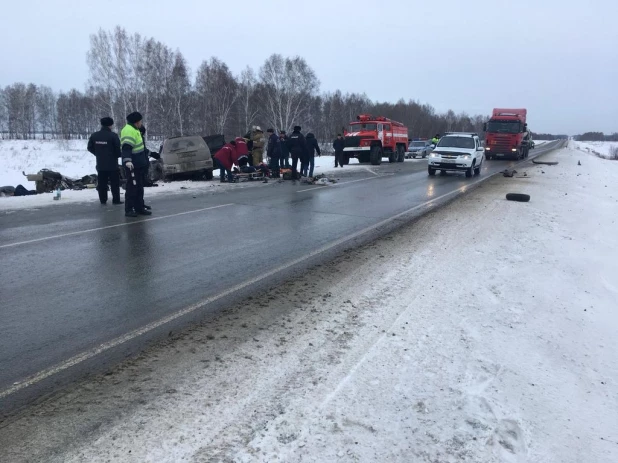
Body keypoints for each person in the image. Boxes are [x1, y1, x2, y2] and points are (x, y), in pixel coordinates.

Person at [121, 112, 151, 217]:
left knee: (139, 187)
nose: (141, 123)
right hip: (132, 165)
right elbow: (126, 147)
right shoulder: (129, 131)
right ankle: (129, 209)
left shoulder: (135, 129)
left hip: (138, 164)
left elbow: (139, 147)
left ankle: (139, 207)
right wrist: (127, 160)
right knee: (132, 187)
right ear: (136, 122)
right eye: (140, 121)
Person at [87, 117, 122, 205]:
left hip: (100, 164)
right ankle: (116, 200)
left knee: (102, 183)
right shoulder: (113, 136)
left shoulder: (94, 135)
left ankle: (103, 200)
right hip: (112, 164)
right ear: (111, 125)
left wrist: (98, 154)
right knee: (115, 183)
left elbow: (89, 147)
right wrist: (116, 155)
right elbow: (118, 150)